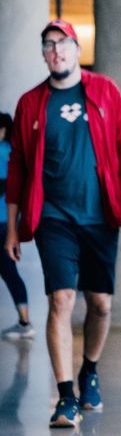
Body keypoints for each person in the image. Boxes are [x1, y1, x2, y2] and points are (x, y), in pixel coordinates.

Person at [4, 19, 121, 428]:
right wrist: (13, 227)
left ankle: (90, 371)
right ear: (44, 53)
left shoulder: (103, 91)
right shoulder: (31, 103)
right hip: (53, 217)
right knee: (62, 300)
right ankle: (65, 396)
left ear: (74, 46)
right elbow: (17, 168)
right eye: (48, 45)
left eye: (62, 43)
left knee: (100, 303)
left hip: (100, 215)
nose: (56, 51)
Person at [0, 113, 33, 340]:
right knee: (9, 271)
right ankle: (24, 321)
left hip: (2, 222)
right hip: (9, 222)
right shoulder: (12, 151)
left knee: (9, 271)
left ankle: (25, 322)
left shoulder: (4, 152)